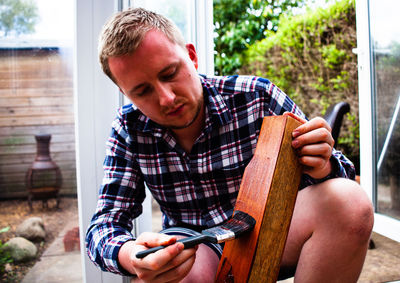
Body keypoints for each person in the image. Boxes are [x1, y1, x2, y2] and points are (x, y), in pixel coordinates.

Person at [86, 7, 374, 283]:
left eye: (170, 73)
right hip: (198, 254)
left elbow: (341, 177)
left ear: (191, 56)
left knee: (349, 201)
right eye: (142, 90)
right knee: (162, 278)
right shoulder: (128, 128)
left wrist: (323, 164)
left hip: (272, 231)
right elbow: (104, 225)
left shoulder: (256, 97)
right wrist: (131, 256)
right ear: (125, 93)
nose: (166, 99)